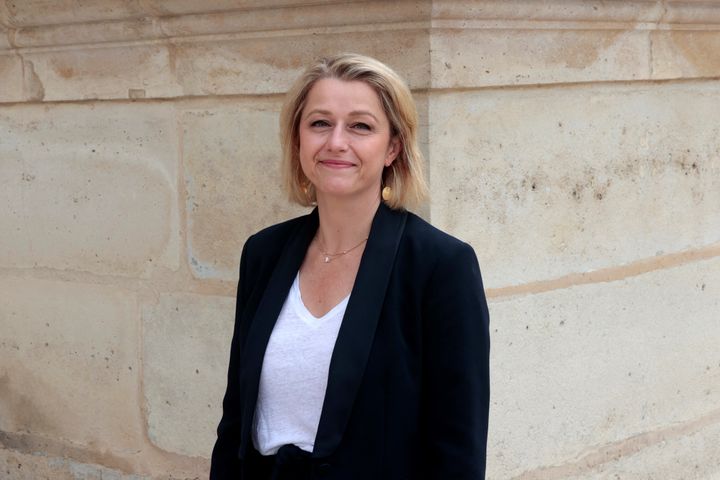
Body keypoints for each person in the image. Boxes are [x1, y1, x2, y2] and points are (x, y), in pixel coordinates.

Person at [210, 53, 490, 480]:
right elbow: (234, 425)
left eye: (361, 125)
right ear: (298, 139)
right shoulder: (263, 254)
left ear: (392, 146)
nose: (336, 142)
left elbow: (457, 449)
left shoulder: (440, 266)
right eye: (319, 123)